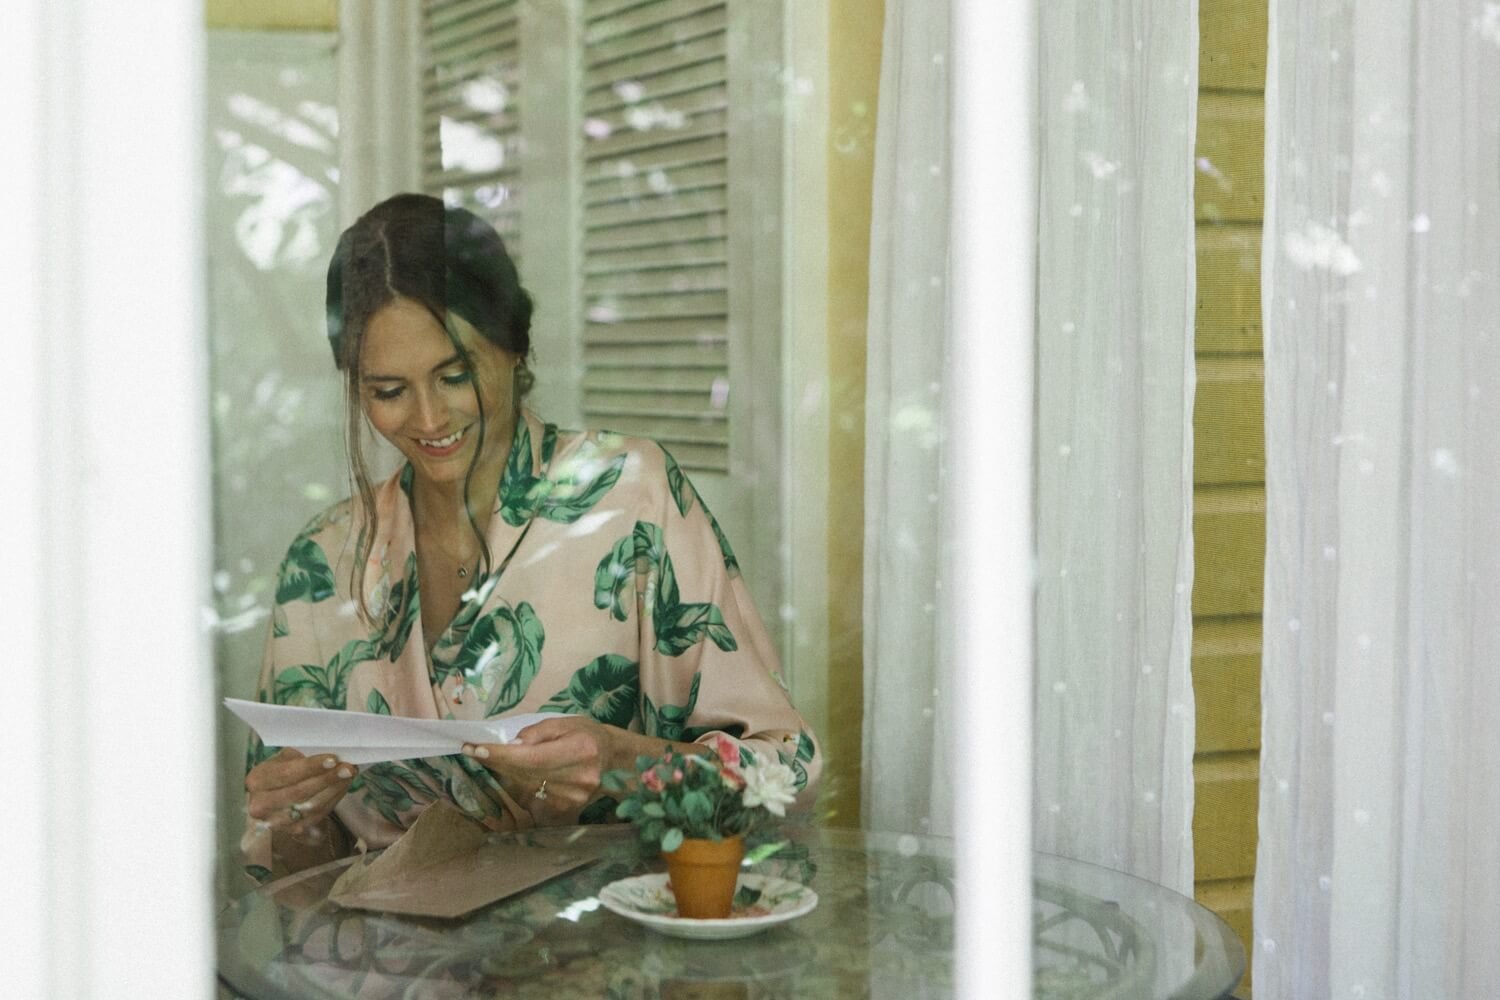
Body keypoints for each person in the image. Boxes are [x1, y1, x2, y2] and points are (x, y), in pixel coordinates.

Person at [241, 194, 820, 880]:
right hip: (386, 976)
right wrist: (296, 817)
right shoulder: (323, 561)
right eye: (389, 391)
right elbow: (286, 875)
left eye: (455, 376)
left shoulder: (633, 498)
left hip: (602, 960)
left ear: (514, 345)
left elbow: (789, 772)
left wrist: (619, 761)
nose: (429, 418)